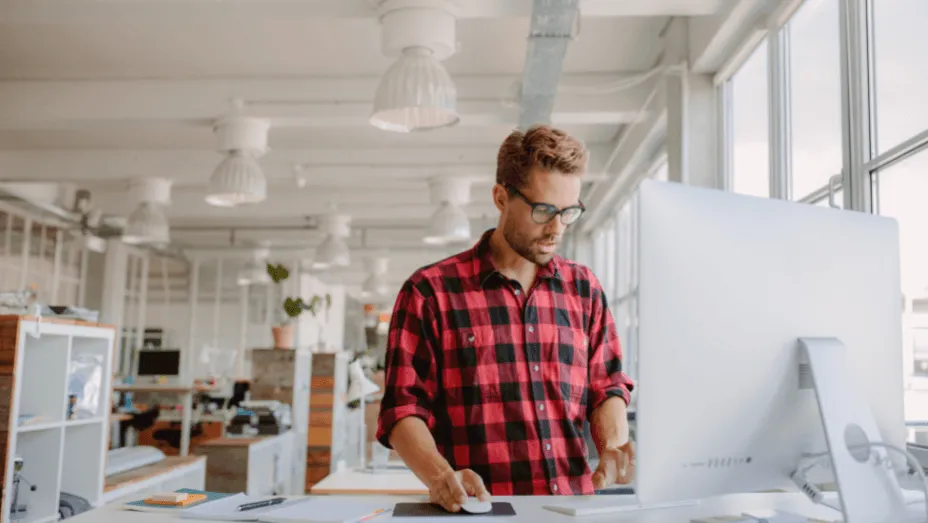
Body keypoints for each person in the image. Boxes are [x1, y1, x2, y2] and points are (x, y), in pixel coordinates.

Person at [376, 125, 635, 511]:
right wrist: (440, 476)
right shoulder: (429, 292)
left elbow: (607, 386)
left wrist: (613, 445)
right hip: (477, 511)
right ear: (501, 197)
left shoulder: (584, 290)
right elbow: (402, 409)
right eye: (544, 210)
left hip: (572, 511)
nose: (556, 228)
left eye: (569, 212)